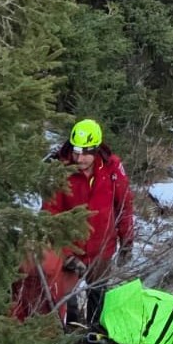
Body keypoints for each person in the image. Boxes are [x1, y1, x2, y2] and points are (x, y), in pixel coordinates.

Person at [43, 118, 135, 327]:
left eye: (85, 153)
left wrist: (127, 241)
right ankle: (71, 333)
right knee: (67, 297)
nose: (79, 158)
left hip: (102, 246)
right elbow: (50, 213)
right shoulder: (60, 169)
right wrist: (65, 254)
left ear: (95, 150)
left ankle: (93, 334)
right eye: (76, 152)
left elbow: (124, 205)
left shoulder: (112, 169)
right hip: (70, 247)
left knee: (98, 293)